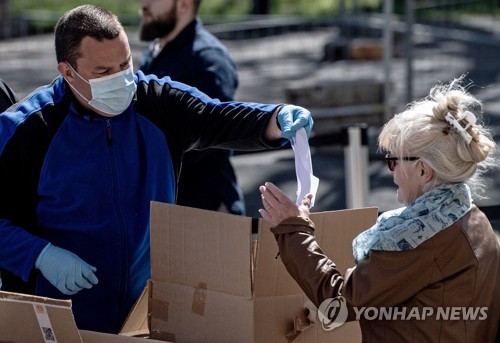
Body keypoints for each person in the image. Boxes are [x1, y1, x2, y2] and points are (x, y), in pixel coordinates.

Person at [0, 4, 313, 334]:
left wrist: (274, 119)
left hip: (145, 316)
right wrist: (41, 255)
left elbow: (216, 118)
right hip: (57, 322)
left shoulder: (156, 103)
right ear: (67, 72)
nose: (120, 80)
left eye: (125, 65)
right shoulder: (25, 130)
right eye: (103, 72)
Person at [259, 78, 499, 341]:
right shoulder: (472, 216)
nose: (390, 170)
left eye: (393, 160)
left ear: (423, 170)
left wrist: (293, 230)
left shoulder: (418, 241)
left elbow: (339, 302)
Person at [139, 0, 245, 215]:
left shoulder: (208, 60)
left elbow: (213, 135)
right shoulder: (156, 50)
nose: (144, 4)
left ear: (184, 4)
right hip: (166, 206)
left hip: (207, 212)